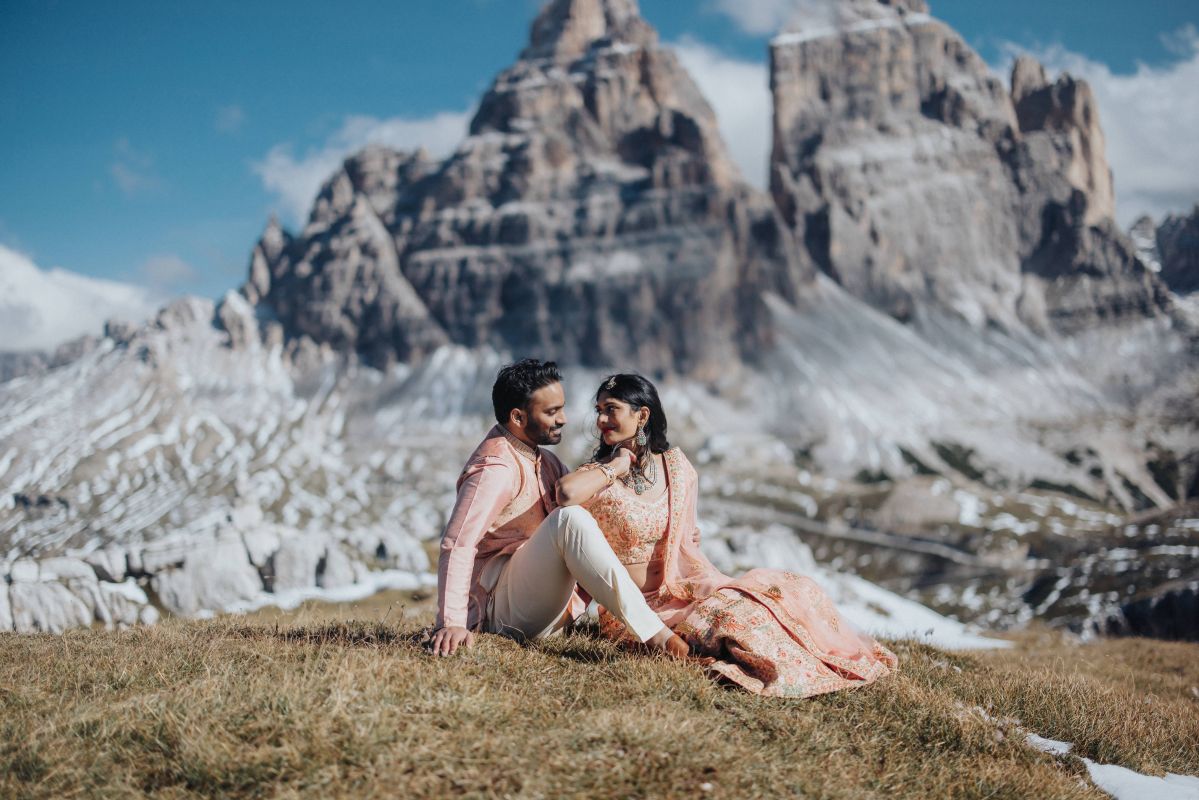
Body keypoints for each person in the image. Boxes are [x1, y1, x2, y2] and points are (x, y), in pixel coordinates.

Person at [555, 373, 898, 697]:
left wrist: (708, 587)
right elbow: (566, 496)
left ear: (642, 415)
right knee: (729, 623)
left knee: (768, 603)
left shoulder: (675, 468)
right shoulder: (597, 476)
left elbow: (688, 542)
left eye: (610, 410)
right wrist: (615, 466)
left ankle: (818, 663)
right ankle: (759, 669)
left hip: (682, 590)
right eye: (599, 411)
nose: (601, 421)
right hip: (635, 610)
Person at [430, 359, 692, 658]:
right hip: (498, 613)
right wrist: (450, 622)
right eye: (552, 412)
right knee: (569, 518)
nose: (564, 419)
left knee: (579, 517)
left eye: (562, 408)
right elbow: (457, 542)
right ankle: (656, 636)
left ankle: (654, 620)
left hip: (540, 608)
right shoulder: (495, 468)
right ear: (517, 416)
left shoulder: (547, 462)